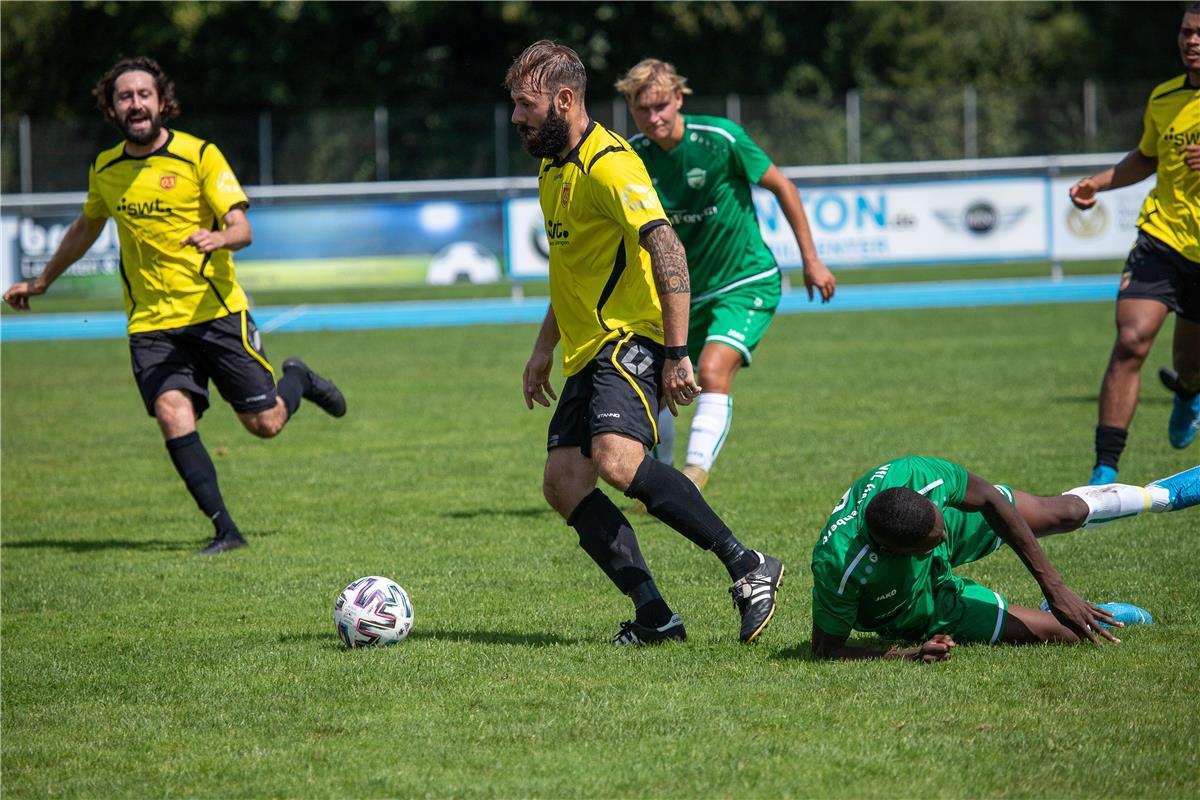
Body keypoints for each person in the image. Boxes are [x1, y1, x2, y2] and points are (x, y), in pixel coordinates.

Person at [2, 57, 346, 555]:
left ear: (162, 101)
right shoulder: (106, 169)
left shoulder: (199, 155)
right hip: (151, 325)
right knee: (171, 413)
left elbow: (243, 228)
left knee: (265, 423)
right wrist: (41, 282)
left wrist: (219, 237)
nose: (135, 103)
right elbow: (84, 229)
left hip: (216, 312)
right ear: (112, 108)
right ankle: (226, 531)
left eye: (144, 94)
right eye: (125, 96)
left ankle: (299, 377)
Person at [506, 41, 784, 645]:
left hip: (630, 337)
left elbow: (666, 247)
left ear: (563, 99)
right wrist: (542, 348)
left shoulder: (612, 163)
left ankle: (747, 565)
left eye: (525, 105)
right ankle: (656, 616)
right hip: (585, 349)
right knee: (562, 483)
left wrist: (677, 353)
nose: (516, 117)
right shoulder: (553, 168)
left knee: (615, 459)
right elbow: (572, 268)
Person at [614, 59, 836, 494]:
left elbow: (783, 187)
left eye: (662, 105)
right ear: (630, 108)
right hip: (679, 295)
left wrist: (812, 259)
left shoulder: (722, 139)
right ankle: (661, 478)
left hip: (745, 279)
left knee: (713, 371)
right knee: (657, 385)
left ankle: (693, 477)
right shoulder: (632, 158)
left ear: (679, 98)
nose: (654, 117)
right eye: (644, 109)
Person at [810, 456, 1199, 662]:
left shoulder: (917, 477)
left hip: (922, 526)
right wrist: (908, 655)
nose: (942, 539)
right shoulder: (842, 567)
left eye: (939, 526)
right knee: (1067, 635)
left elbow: (989, 500)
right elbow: (826, 650)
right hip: (913, 605)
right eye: (934, 542)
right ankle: (1085, 611)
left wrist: (1055, 585)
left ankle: (1156, 495)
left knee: (1064, 512)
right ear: (896, 551)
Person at [1069, 3, 1200, 485]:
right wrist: (1098, 184)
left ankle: (1189, 392)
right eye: (1187, 32)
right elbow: (1146, 158)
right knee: (1130, 340)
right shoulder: (1163, 98)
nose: (1192, 41)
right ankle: (1104, 471)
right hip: (1161, 239)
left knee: (1191, 363)